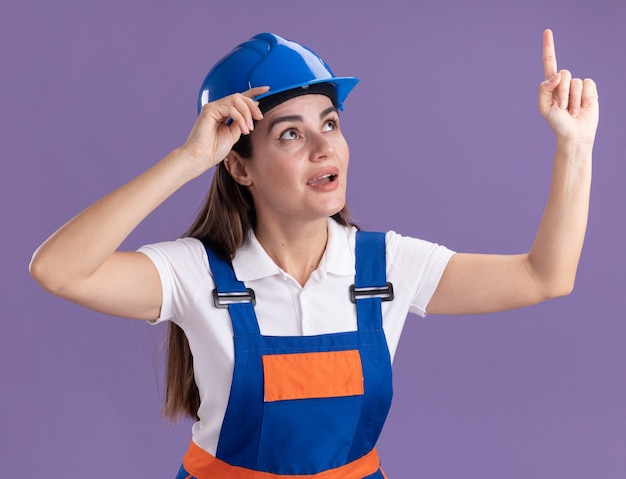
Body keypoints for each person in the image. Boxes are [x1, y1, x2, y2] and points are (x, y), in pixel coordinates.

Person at [29, 30, 598, 479]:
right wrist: (187, 158)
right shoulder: (195, 272)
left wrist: (575, 146)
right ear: (238, 164)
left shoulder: (386, 267)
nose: (327, 147)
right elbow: (57, 269)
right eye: (291, 134)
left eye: (330, 123)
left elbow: (545, 276)